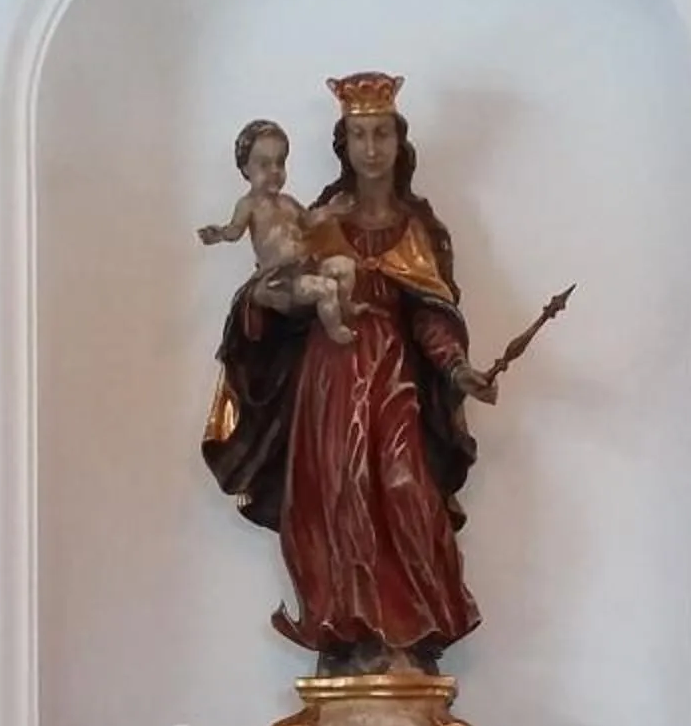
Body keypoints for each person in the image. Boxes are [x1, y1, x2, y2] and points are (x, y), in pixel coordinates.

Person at [202, 72, 495, 677]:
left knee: (407, 485)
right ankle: (351, 633)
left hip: (393, 375)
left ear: (398, 142)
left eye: (381, 133)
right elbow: (273, 295)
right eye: (359, 134)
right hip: (330, 377)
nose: (370, 147)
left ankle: (412, 633)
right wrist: (266, 299)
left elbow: (431, 316)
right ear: (344, 142)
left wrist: (459, 369)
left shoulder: (418, 230)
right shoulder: (317, 221)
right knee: (339, 495)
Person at [199, 119, 361, 345]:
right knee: (327, 288)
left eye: (280, 163)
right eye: (264, 165)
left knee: (344, 266)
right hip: (281, 282)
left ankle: (346, 307)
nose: (274, 171)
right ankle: (336, 330)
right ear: (246, 168)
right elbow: (235, 231)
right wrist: (219, 234)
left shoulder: (287, 202)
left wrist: (331, 210)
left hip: (305, 267)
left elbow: (308, 221)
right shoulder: (249, 205)